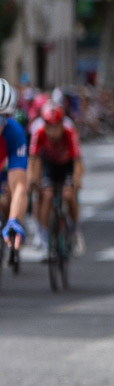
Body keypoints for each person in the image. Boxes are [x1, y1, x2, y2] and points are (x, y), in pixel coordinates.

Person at [28, 101, 83, 255]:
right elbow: (33, 159)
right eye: (49, 127)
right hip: (49, 165)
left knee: (69, 195)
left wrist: (76, 181)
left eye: (56, 126)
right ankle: (44, 238)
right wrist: (33, 180)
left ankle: (75, 231)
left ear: (61, 123)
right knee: (46, 195)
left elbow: (77, 161)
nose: (52, 132)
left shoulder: (69, 130)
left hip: (66, 165)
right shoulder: (38, 132)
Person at [0, 78, 29, 268]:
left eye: (2, 118)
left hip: (4, 169)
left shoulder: (14, 131)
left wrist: (14, 219)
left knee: (6, 200)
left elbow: (19, 185)